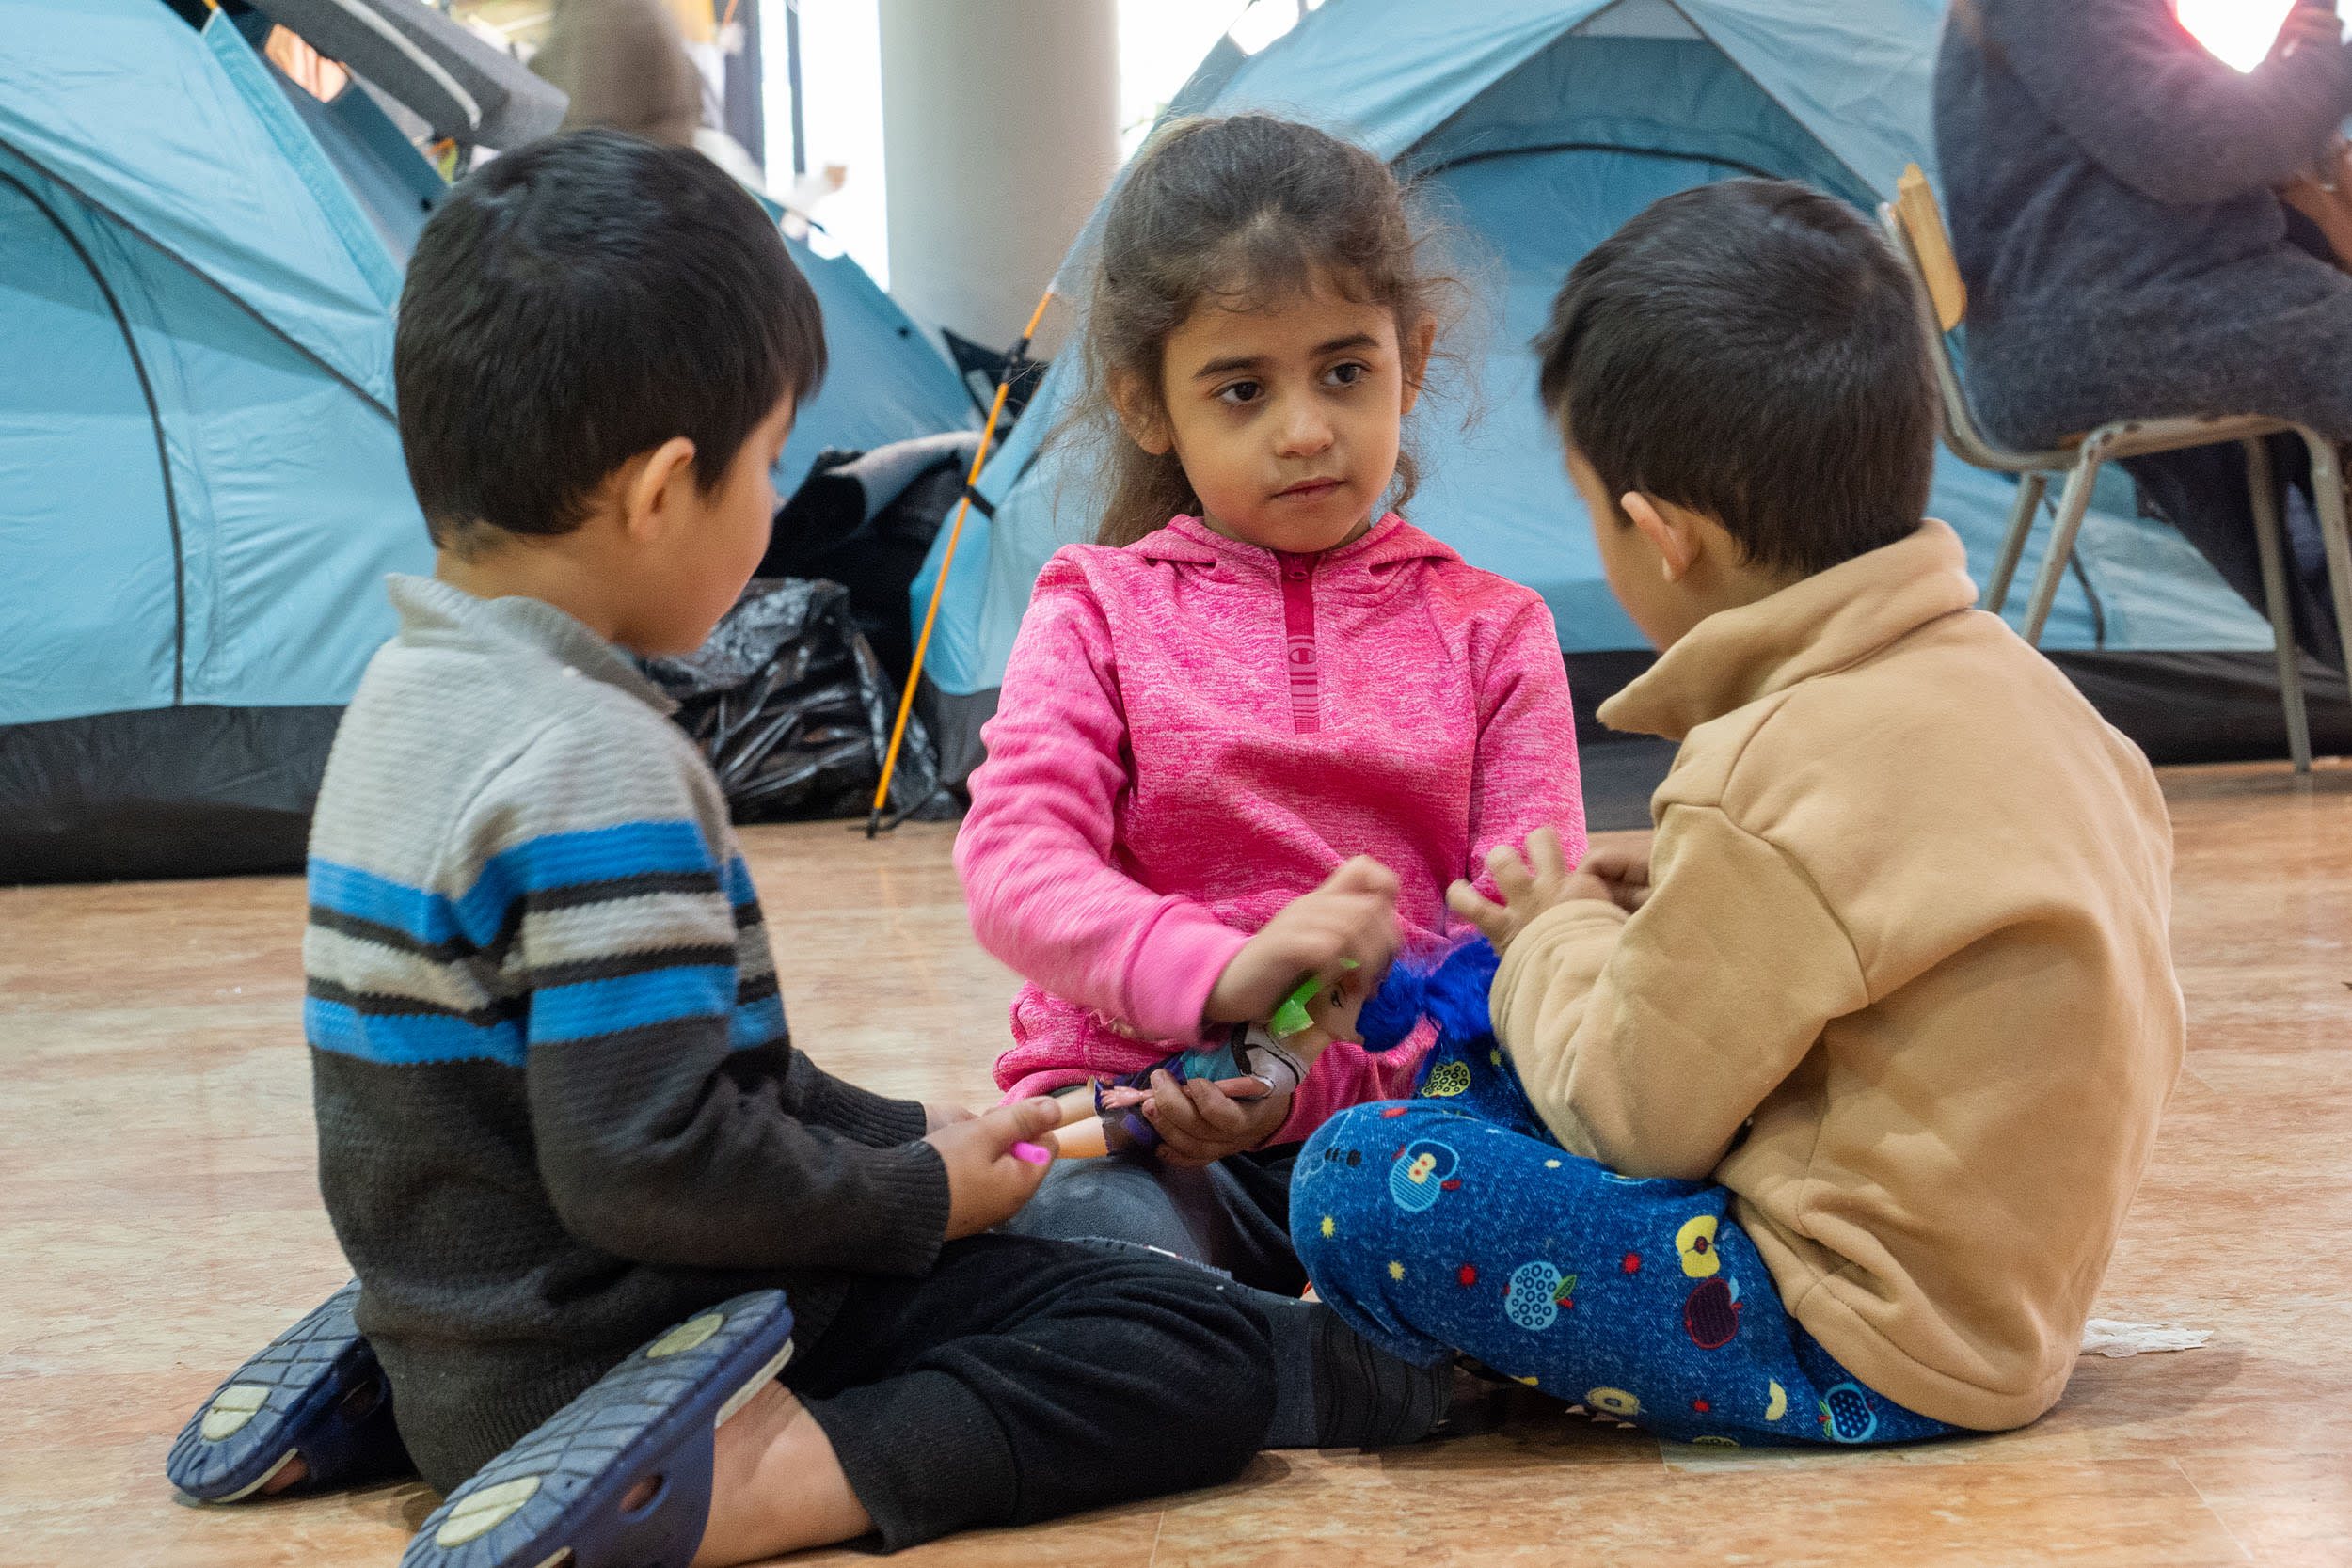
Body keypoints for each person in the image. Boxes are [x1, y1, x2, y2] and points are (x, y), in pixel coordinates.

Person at [162, 130, 1291, 1568]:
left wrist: (916, 1137)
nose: (775, 511)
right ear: (657, 493)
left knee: (977, 1234)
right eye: (766, 467)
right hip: (621, 1349)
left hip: (479, 1325)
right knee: (1176, 1338)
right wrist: (917, 1198)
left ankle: (410, 1376)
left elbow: (691, 1081)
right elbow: (656, 1167)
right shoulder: (598, 763)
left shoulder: (406, 699)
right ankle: (757, 1474)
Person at [1291, 179, 2185, 1447]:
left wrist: (1548, 927)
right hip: (2011, 1307)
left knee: (1362, 1177)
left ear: (1663, 538)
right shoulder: (2043, 704)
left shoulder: (1767, 764)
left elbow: (1630, 1113)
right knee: (1489, 1057)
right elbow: (1911, 895)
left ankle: (1381, 1365)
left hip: (1855, 1343)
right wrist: (1676, 880)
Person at [954, 116, 1585, 1320]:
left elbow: (1526, 941)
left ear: (1414, 353)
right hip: (1133, 1120)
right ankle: (1308, 1355)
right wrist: (1213, 979)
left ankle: (1280, 1353)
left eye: (1345, 371)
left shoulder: (1492, 630)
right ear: (1149, 404)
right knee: (1079, 1259)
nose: (1304, 429)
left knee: (1568, 1201)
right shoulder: (1095, 609)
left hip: (1407, 1136)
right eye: (1241, 389)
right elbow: (1016, 862)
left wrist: (1306, 1075)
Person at [1936, 0, 2352, 671]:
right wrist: (2329, 66)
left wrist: (2292, 74)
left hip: (2113, 313)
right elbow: (2198, 148)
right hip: (2114, 320)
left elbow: (2182, 128)